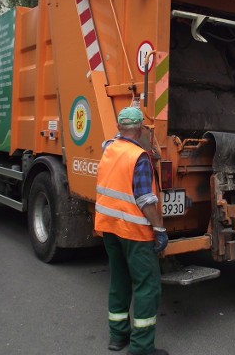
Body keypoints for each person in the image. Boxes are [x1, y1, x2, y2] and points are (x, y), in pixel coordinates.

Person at [94, 106, 169, 355]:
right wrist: (159, 228)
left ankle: (117, 337)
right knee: (147, 286)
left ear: (118, 127)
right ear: (139, 129)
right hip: (135, 232)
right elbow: (145, 199)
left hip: (109, 227)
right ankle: (141, 348)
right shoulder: (138, 157)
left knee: (119, 280)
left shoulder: (109, 148)